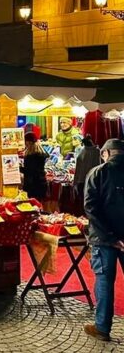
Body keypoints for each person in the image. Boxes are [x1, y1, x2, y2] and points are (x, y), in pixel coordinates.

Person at [83, 138, 124, 342]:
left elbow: (91, 208)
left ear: (107, 153)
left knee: (105, 281)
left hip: (103, 238)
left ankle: (102, 327)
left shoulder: (98, 172)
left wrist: (110, 237)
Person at [20, 132, 49, 201]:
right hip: (41, 183)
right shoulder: (41, 152)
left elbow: (29, 171)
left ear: (28, 142)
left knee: (33, 206)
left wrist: (18, 168)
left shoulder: (32, 156)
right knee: (38, 205)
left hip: (33, 185)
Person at [73, 134, 101, 200]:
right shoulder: (97, 152)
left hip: (83, 181)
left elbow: (78, 169)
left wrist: (75, 182)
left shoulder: (83, 152)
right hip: (93, 181)